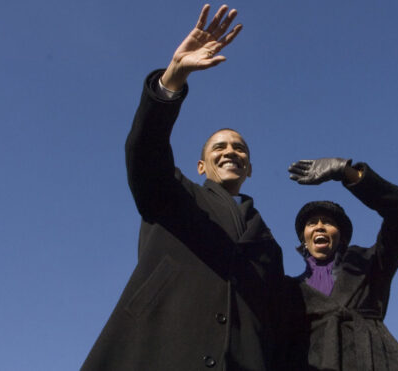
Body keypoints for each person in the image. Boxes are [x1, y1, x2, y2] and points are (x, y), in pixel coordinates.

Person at [82, 4, 285, 370]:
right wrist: (172, 80)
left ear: (250, 168)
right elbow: (144, 150)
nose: (231, 151)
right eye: (219, 147)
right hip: (158, 351)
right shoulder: (174, 194)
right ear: (200, 165)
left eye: (239, 147)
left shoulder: (268, 244)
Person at [285, 158, 398, 370]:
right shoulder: (289, 291)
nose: (319, 227)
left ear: (342, 236)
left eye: (328, 222)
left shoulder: (371, 265)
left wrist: (345, 172)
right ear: (304, 239)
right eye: (312, 223)